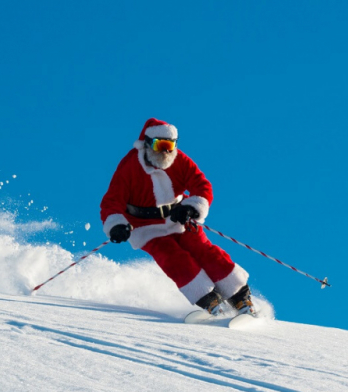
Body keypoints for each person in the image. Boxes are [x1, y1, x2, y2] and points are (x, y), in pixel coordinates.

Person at [100, 118, 255, 317]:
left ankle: (240, 296)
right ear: (147, 143)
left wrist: (191, 208)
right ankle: (210, 301)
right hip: (146, 226)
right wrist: (116, 225)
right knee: (172, 257)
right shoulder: (130, 166)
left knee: (202, 250)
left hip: (178, 217)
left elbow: (202, 186)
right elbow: (112, 201)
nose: (165, 151)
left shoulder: (179, 160)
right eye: (160, 145)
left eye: (170, 145)